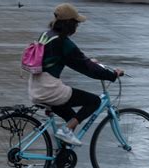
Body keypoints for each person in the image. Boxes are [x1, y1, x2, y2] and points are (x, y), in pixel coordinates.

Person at [28, 3, 123, 146]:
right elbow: (85, 68)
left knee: (72, 118)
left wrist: (88, 61)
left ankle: (60, 159)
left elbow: (74, 59)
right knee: (94, 101)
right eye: (76, 23)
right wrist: (112, 74)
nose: (77, 27)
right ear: (69, 24)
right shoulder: (63, 42)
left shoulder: (46, 35)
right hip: (49, 90)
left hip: (36, 87)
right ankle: (66, 130)